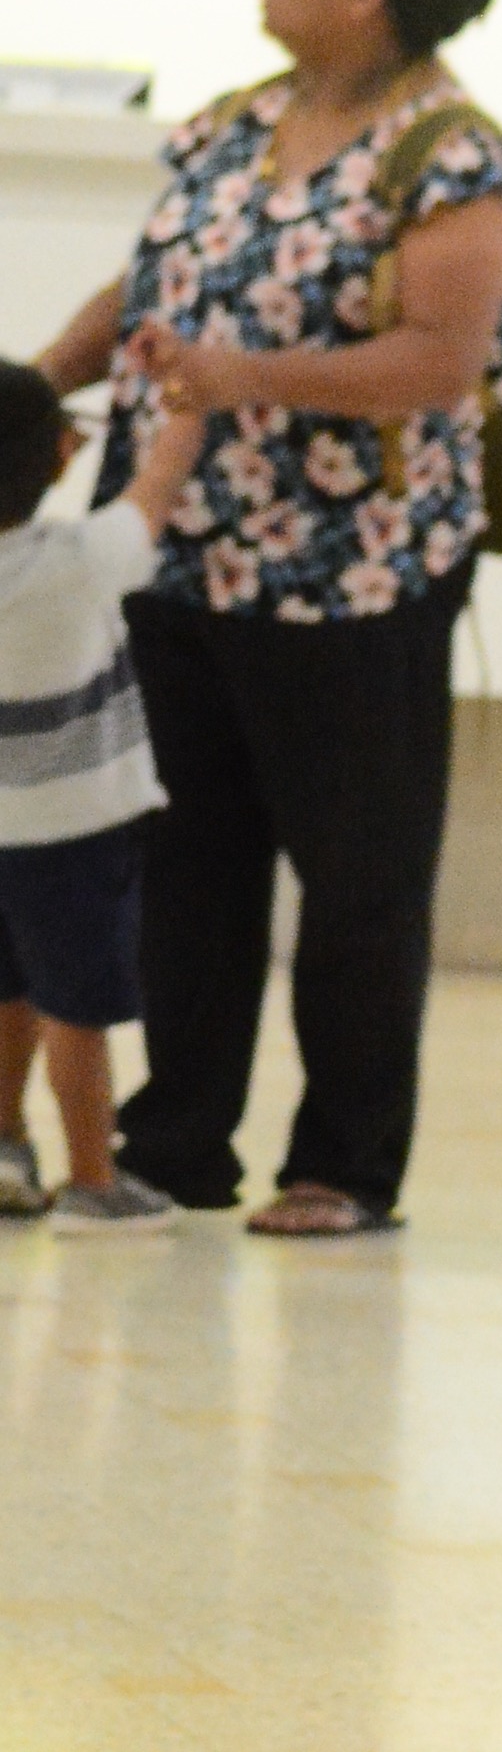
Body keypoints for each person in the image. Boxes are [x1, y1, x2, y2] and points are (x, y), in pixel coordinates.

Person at [35, 0, 502, 1237]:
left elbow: (441, 362)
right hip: (177, 557)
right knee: (184, 864)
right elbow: (153, 285)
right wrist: (38, 385)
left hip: (354, 577)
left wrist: (239, 375)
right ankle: (177, 1144)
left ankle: (342, 1166)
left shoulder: (455, 156)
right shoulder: (234, 123)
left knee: (357, 883)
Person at [0, 365, 204, 1231]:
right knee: (76, 1012)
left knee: (7, 993)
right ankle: (93, 1181)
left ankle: (5, 1143)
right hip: (75, 834)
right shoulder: (78, 561)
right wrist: (189, 410)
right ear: (62, 453)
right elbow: (155, 491)